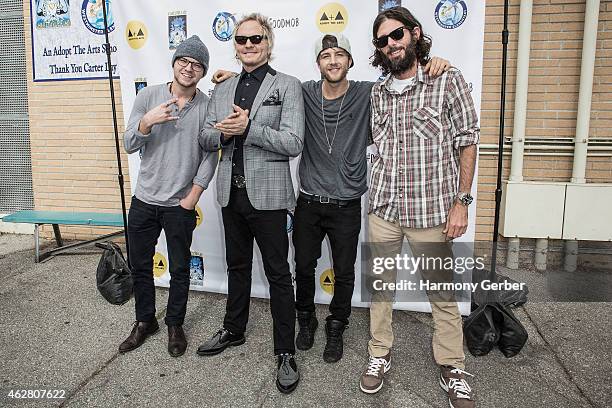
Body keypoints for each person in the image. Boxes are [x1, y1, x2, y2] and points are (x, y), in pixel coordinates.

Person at [212, 36, 449, 365]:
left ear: (350, 61)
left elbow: (401, 76)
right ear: (318, 63)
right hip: (308, 201)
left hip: (347, 203)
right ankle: (306, 320)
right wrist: (234, 76)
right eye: (326, 55)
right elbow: (270, 88)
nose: (333, 60)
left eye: (340, 55)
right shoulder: (304, 92)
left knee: (344, 271)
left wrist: (436, 64)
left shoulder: (369, 91)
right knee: (303, 267)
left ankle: (337, 324)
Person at [358, 7, 479, 408]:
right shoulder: (377, 91)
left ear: (414, 33)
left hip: (431, 213)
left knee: (442, 294)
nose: (391, 44)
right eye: (382, 40)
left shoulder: (447, 79)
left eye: (396, 35)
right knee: (380, 290)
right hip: (383, 211)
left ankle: (452, 365)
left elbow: (467, 141)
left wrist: (461, 203)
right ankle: (380, 353)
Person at [197, 13, 305, 394]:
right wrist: (223, 134)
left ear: (268, 42)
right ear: (235, 45)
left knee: (278, 273)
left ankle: (285, 351)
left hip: (270, 198)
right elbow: (206, 139)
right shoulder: (223, 88)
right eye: (241, 40)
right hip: (230, 194)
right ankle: (234, 329)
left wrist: (250, 129)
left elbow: (293, 142)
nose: (248, 45)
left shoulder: (287, 86)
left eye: (255, 39)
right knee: (236, 265)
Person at [120, 35, 217, 358]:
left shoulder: (206, 106)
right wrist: (147, 122)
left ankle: (175, 324)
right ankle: (145, 321)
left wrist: (194, 195)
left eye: (197, 65)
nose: (189, 69)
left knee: (179, 268)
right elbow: (129, 143)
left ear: (203, 72)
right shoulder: (148, 96)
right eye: (184, 62)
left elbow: (211, 154)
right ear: (174, 63)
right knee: (140, 266)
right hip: (144, 201)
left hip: (179, 205)